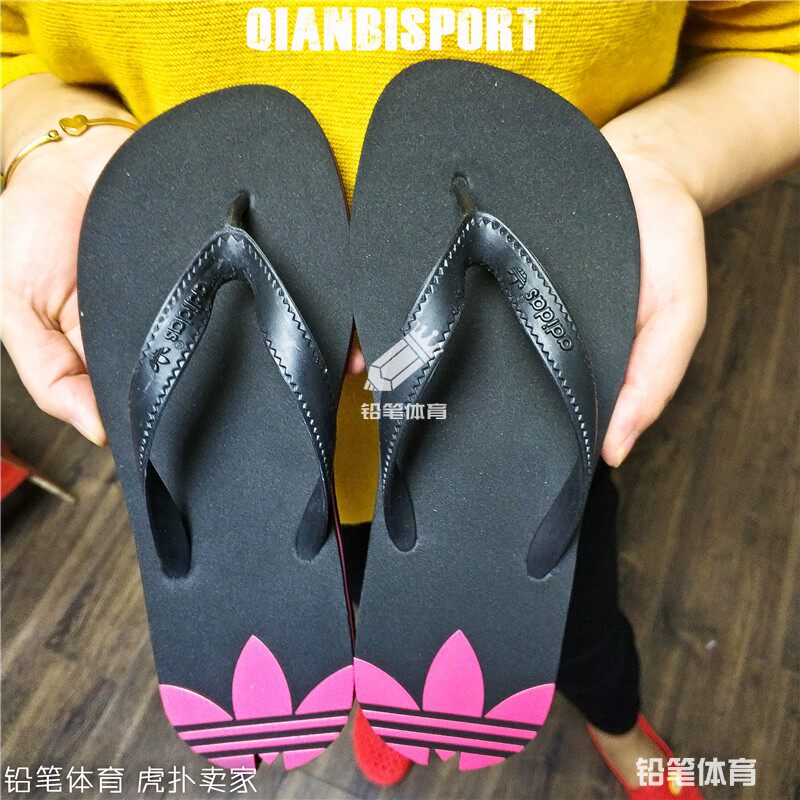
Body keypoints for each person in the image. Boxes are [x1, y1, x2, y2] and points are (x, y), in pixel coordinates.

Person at [2, 3, 798, 797]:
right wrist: (48, 140)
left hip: (519, 440)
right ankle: (385, 687)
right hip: (269, 453)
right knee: (352, 593)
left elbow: (778, 44)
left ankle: (616, 722)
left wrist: (668, 161)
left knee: (576, 618)